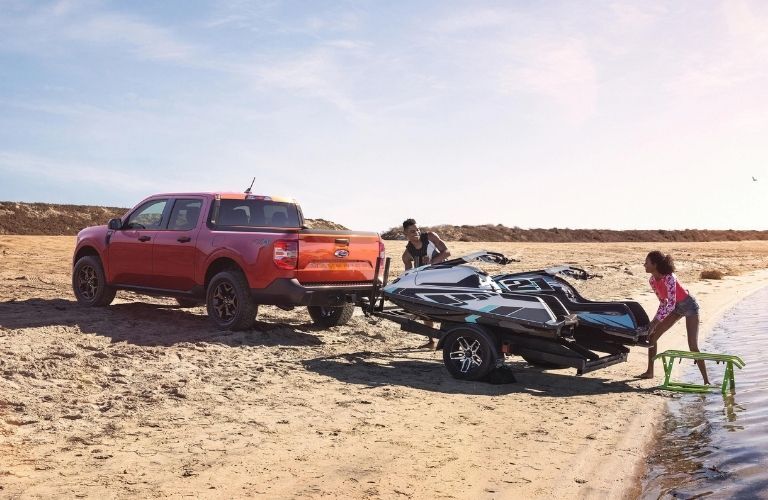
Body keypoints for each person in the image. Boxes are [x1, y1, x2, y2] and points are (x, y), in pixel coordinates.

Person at [639, 251, 710, 384]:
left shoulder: (670, 278)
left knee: (693, 346)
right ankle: (650, 372)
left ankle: (706, 381)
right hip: (675, 308)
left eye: (647, 262)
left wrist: (655, 321)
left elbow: (670, 304)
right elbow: (663, 302)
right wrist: (654, 322)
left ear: (654, 265)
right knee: (652, 337)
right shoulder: (652, 280)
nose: (644, 265)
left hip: (689, 306)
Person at [401, 218, 451, 348]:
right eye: (412, 231)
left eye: (417, 229)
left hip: (444, 276)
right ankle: (431, 341)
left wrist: (432, 262)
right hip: (427, 281)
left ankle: (448, 337)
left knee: (446, 310)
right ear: (406, 234)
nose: (416, 232)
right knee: (425, 310)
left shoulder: (430, 237)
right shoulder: (407, 254)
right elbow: (408, 274)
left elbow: (447, 252)